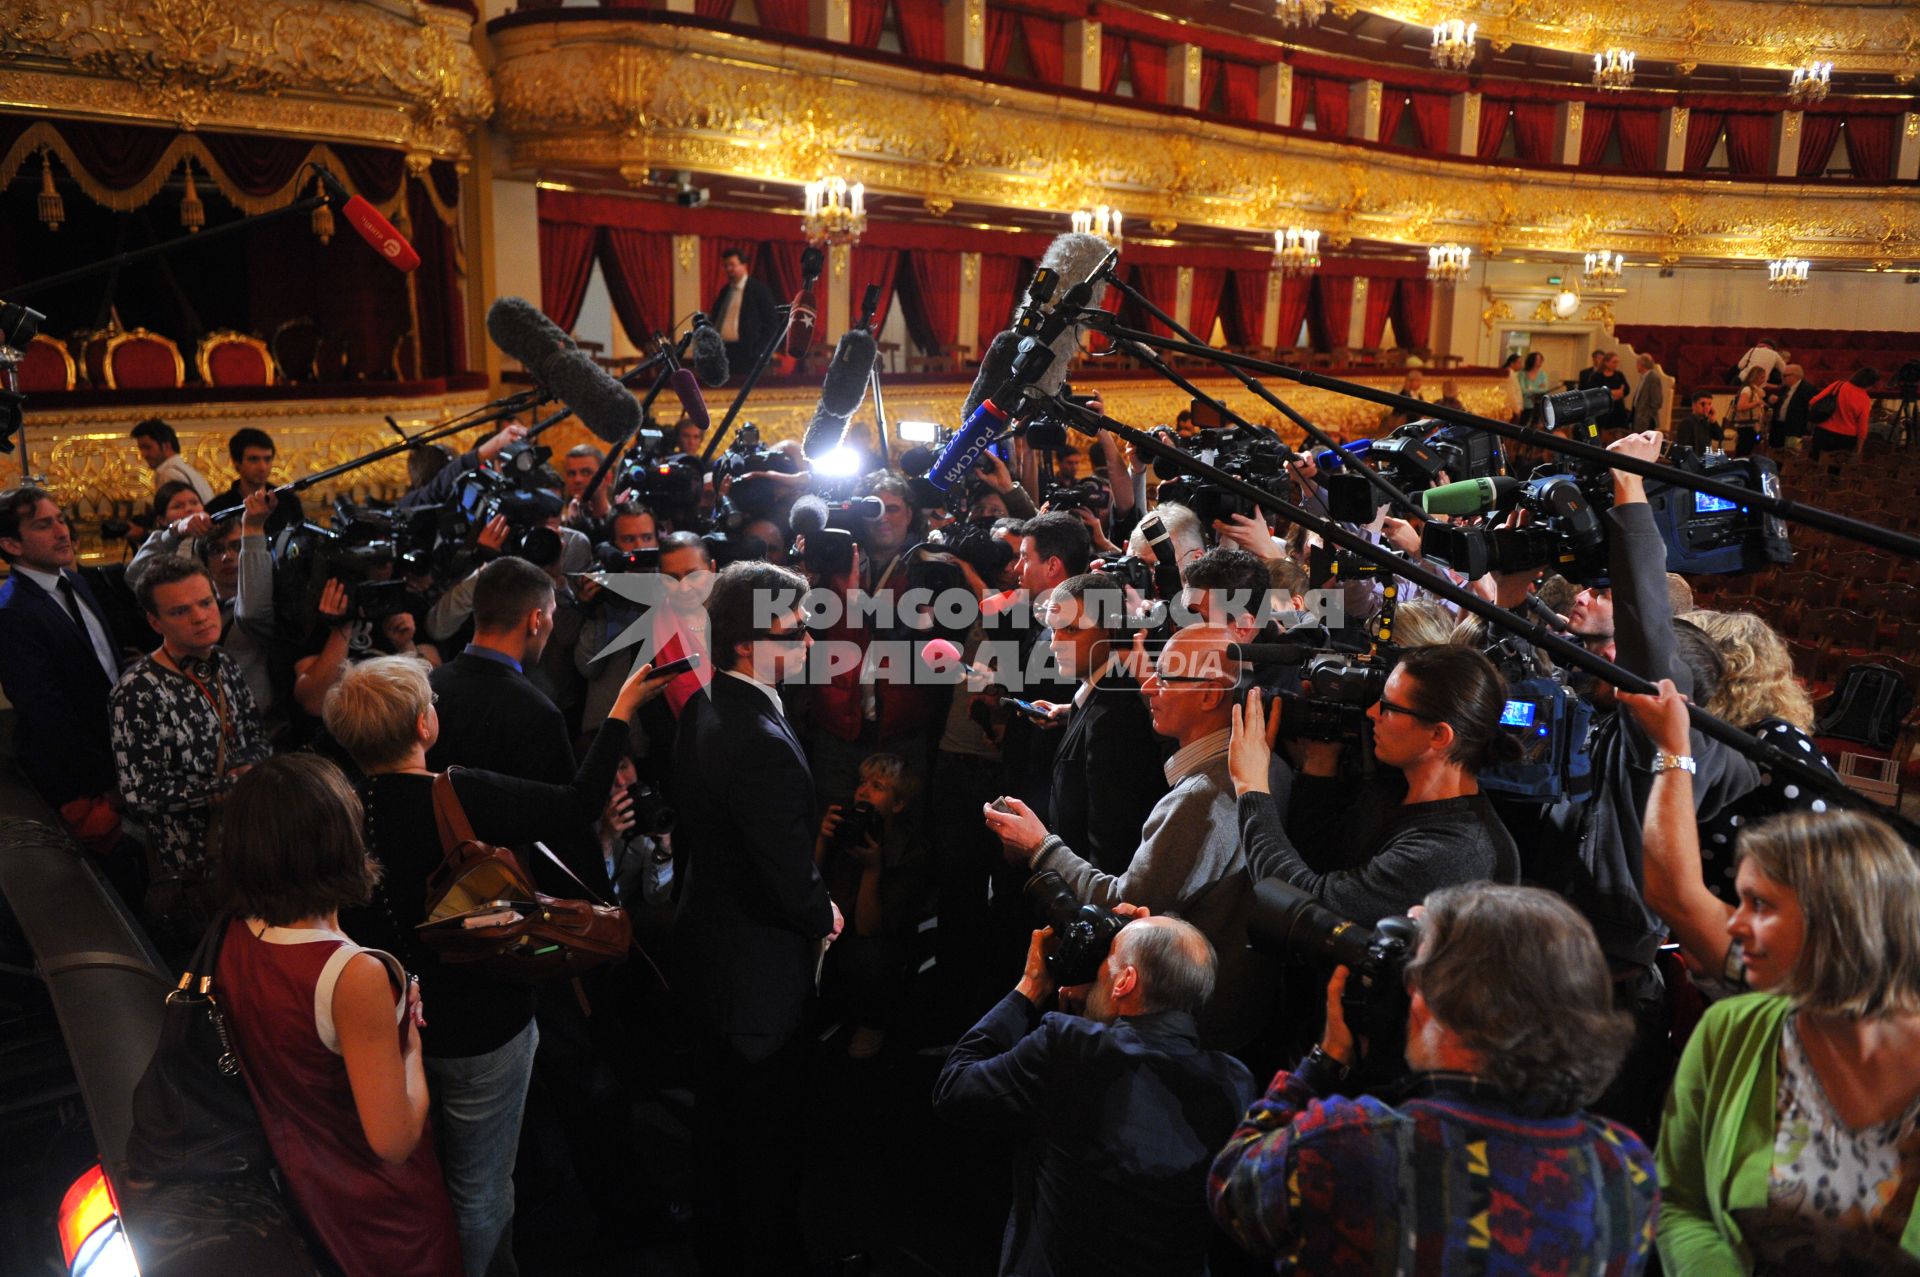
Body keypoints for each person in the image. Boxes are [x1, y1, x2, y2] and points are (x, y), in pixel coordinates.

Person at [322, 652, 670, 1277]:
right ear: (424, 727)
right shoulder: (458, 792)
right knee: (481, 1185)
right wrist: (620, 708)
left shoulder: (336, 812)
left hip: (387, 1023)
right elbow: (577, 801)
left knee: (420, 1175)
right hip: (482, 1025)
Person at [1209, 883, 1658, 1276]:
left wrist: (1325, 1060)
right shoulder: (1626, 1168)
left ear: (1434, 1003)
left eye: (1417, 975)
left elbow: (1232, 1186)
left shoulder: (1350, 1147)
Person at [213, 754, 462, 1277]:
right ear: (337, 841)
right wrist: (410, 1048)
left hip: (310, 1189)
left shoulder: (236, 934)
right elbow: (394, 1142)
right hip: (386, 1214)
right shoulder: (353, 975)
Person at [1657, 808, 1920, 1271]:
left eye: (1759, 905)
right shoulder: (1731, 1030)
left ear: (1839, 915)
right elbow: (1678, 1202)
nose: (1735, 925)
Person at [673, 559, 843, 1275]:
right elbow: (783, 871)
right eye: (795, 629)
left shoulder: (705, 705)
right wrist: (822, 914)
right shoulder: (762, 742)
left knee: (721, 1139)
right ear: (748, 644)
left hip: (709, 957)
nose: (808, 641)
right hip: (758, 982)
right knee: (766, 1148)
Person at [984, 624, 1265, 1047]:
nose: (1148, 685)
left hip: (1177, 1027)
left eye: (1166, 676)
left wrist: (1039, 845)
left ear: (1210, 695)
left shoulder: (1202, 798)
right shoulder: (1253, 765)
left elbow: (1129, 906)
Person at [932, 913, 1255, 1277]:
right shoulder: (1235, 1082)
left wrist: (1029, 988)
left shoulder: (1069, 1045)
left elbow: (954, 1087)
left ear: (1125, 981)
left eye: (1108, 962)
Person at [1230, 645, 1522, 925]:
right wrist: (1319, 765)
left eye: (1388, 707)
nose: (1371, 713)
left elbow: (1308, 903)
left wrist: (1251, 786)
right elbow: (1317, 860)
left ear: (1438, 736)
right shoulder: (1393, 787)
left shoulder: (1453, 851)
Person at [110, 555, 272, 942]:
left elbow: (255, 737)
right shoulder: (137, 690)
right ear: (155, 622)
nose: (200, 617)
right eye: (180, 611)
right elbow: (140, 794)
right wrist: (225, 790)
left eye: (206, 603)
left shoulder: (224, 664)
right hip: (195, 871)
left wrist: (251, 766)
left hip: (250, 846)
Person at [0, 486, 127, 850]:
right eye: (44, 525)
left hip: (115, 759)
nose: (62, 531)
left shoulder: (73, 580)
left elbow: (102, 666)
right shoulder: (13, 613)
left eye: (60, 519)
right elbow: (47, 713)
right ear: (11, 545)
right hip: (80, 782)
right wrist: (106, 783)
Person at [1037, 574, 1168, 877]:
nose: (1055, 644)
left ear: (1110, 631)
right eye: (1053, 630)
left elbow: (1111, 845)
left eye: (1071, 629)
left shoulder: (1115, 718)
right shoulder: (1098, 697)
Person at [815, 751, 928, 1059]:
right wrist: (823, 842)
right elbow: (808, 889)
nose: (863, 790)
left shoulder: (910, 850)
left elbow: (869, 929)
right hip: (835, 931)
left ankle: (874, 1022)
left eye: (878, 785)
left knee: (869, 957)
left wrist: (872, 869)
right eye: (862, 782)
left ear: (898, 803)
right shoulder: (847, 827)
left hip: (877, 946)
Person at [205, 426, 304, 539]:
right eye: (254, 459)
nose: (262, 467)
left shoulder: (288, 502)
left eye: (267, 459)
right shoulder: (219, 507)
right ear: (236, 462)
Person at [708, 246, 778, 375]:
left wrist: (759, 351)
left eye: (732, 265)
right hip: (725, 352)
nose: (729, 269)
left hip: (748, 355)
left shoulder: (759, 290)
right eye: (726, 266)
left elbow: (772, 324)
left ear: (744, 265)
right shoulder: (725, 291)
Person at [131, 417, 213, 503]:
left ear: (166, 446)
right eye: (141, 449)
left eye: (147, 447)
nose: (143, 454)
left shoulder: (169, 475)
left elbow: (179, 513)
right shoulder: (183, 469)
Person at [1808, 366, 1877, 460]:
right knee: (1836, 469)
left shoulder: (1838, 385)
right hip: (1846, 438)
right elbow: (1862, 426)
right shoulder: (1865, 399)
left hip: (1823, 431)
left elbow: (1813, 401)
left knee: (1816, 463)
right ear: (1870, 384)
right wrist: (1859, 447)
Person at [1769, 363, 1814, 448]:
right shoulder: (1784, 388)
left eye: (1785, 375)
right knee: (1775, 453)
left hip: (1794, 430)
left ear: (1795, 376)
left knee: (1790, 454)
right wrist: (1772, 401)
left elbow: (1808, 412)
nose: (1782, 378)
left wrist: (1804, 431)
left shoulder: (1807, 389)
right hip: (1778, 427)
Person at [1729, 365, 1768, 456]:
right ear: (1755, 377)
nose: (1763, 380)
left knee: (1750, 448)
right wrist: (1757, 402)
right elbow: (1740, 407)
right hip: (1746, 424)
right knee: (1744, 449)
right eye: (1762, 377)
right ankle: (1739, 466)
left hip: (1753, 424)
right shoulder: (1747, 389)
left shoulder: (1756, 391)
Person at [1632, 352, 1667, 434]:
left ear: (1642, 364)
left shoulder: (1653, 378)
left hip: (1646, 421)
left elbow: (1656, 401)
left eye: (1637, 363)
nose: (1636, 366)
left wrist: (1647, 415)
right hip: (1640, 419)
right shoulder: (1644, 377)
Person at [1519, 351, 1551, 423]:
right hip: (1525, 403)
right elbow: (1523, 390)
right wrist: (1538, 388)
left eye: (1541, 360)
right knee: (1523, 422)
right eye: (1538, 359)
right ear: (1532, 360)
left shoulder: (1542, 374)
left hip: (1538, 403)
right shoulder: (1523, 373)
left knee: (1535, 422)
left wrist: (1530, 389)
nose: (1540, 362)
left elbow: (1545, 389)